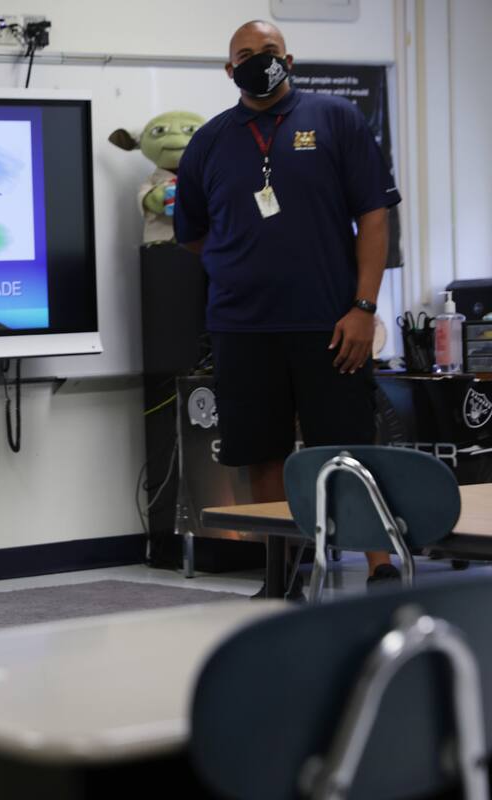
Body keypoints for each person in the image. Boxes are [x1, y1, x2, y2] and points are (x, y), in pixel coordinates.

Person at [174, 20, 402, 598]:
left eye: (268, 52)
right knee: (262, 453)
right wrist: (243, 266)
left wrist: (364, 306)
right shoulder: (210, 141)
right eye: (245, 55)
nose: (258, 61)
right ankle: (283, 574)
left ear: (290, 59)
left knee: (348, 450)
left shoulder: (335, 119)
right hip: (242, 327)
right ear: (229, 71)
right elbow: (194, 234)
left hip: (331, 323)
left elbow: (374, 217)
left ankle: (381, 566)